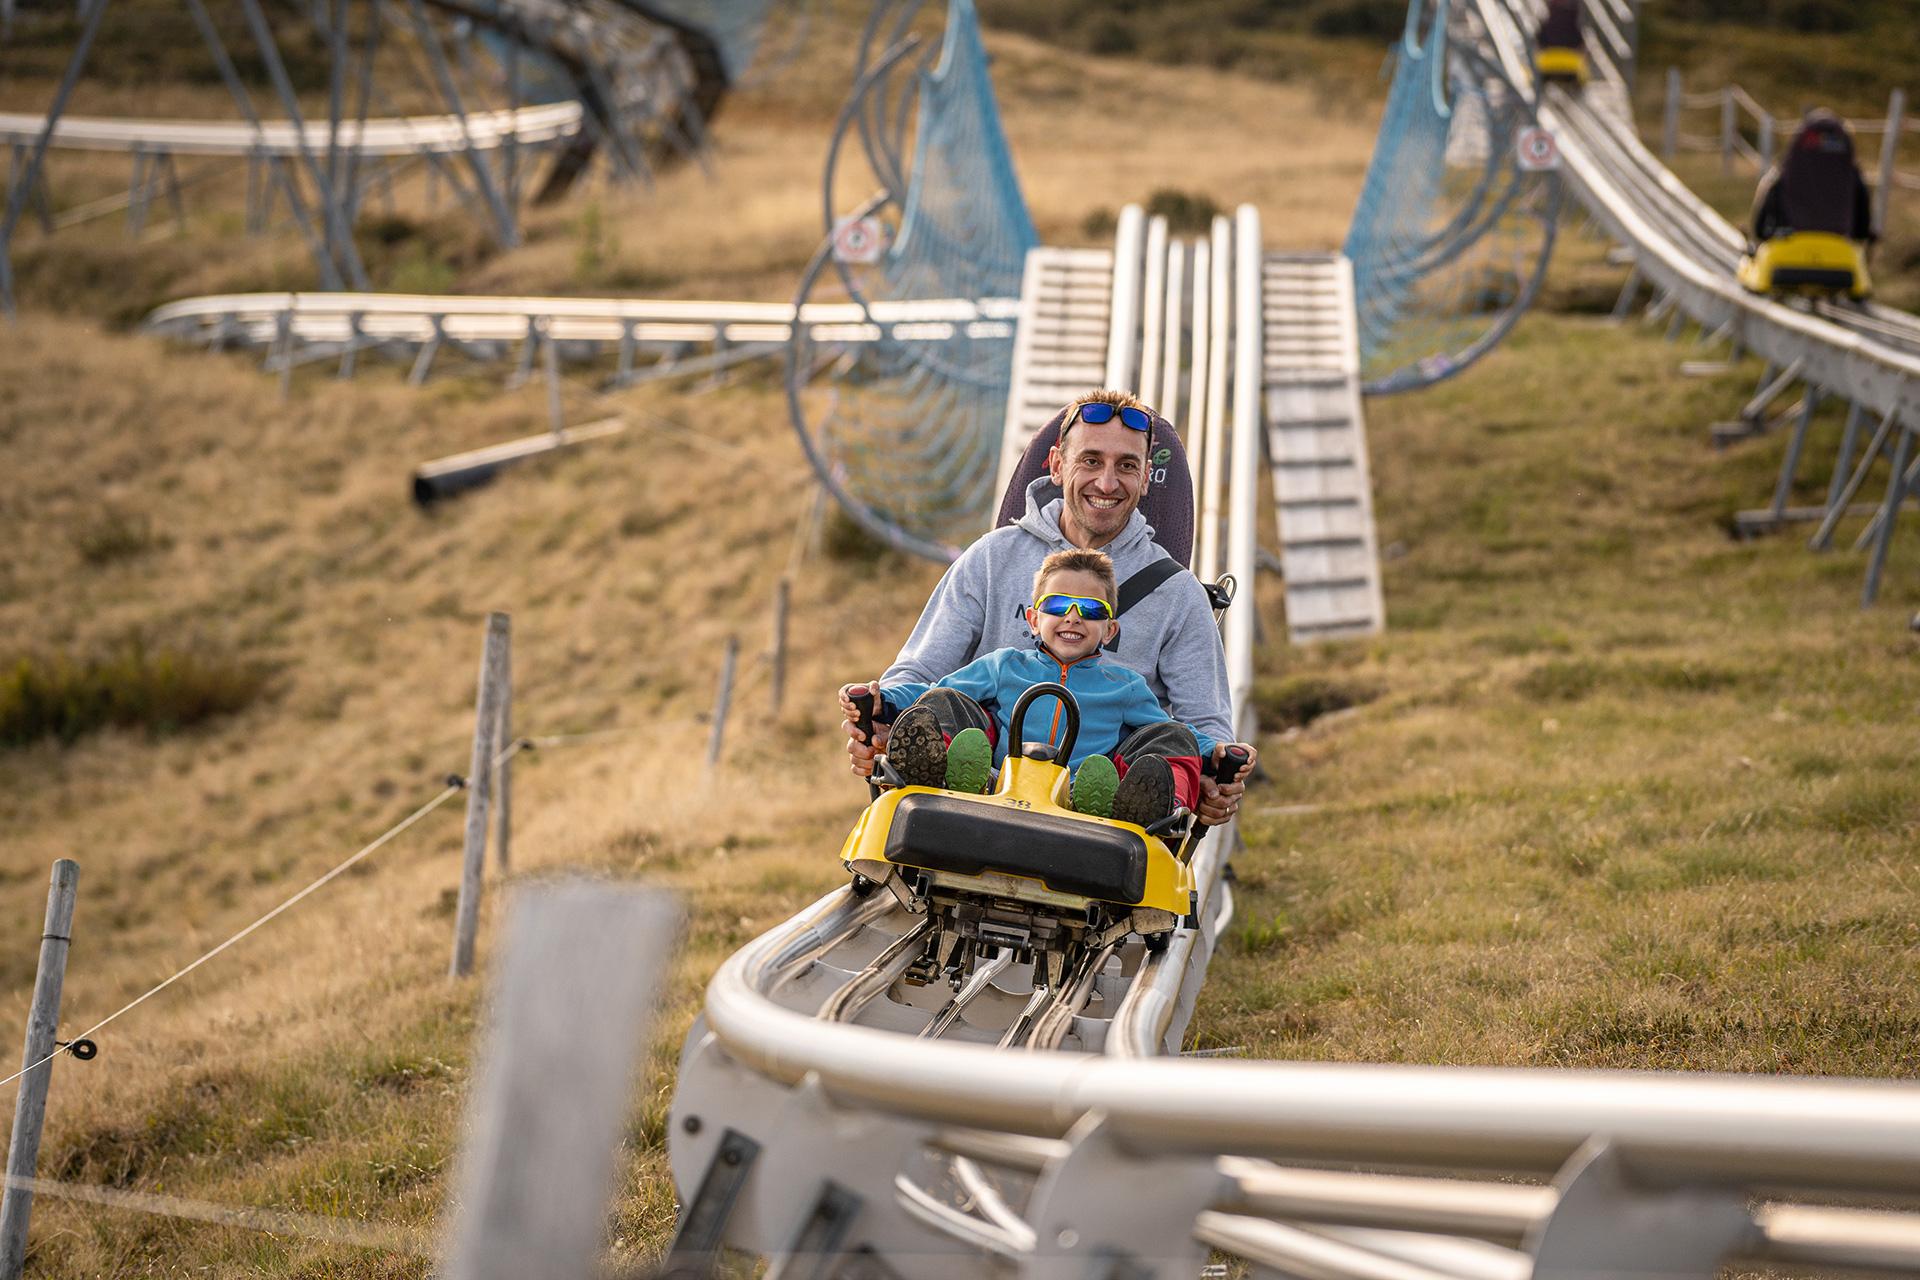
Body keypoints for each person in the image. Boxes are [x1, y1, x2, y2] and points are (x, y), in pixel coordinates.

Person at [842, 389, 1248, 824]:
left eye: (1126, 466)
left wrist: (1214, 771)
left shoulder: (1178, 594)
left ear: (1146, 477)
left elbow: (1204, 723)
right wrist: (886, 716)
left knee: (1171, 739)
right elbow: (920, 672)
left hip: (1103, 807)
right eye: (1090, 461)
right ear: (1057, 464)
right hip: (982, 789)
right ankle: (949, 768)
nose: (1107, 483)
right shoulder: (992, 559)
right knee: (943, 701)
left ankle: (1138, 795)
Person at [841, 549, 1258, 827]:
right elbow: (933, 690)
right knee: (946, 701)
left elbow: (1172, 732)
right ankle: (939, 772)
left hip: (1084, 796)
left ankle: (1148, 805)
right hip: (993, 781)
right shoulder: (1006, 664)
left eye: (1091, 610)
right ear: (1032, 619)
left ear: (1110, 629)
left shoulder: (1125, 686)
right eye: (1058, 606)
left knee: (1171, 735)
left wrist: (1214, 752)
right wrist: (886, 701)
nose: (1073, 617)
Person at [1751, 109, 1875, 247]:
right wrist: (1862, 233)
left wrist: (1762, 232)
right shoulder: (1850, 168)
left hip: (1790, 243)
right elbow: (1863, 211)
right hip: (1839, 246)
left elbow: (1770, 188)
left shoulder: (1790, 163)